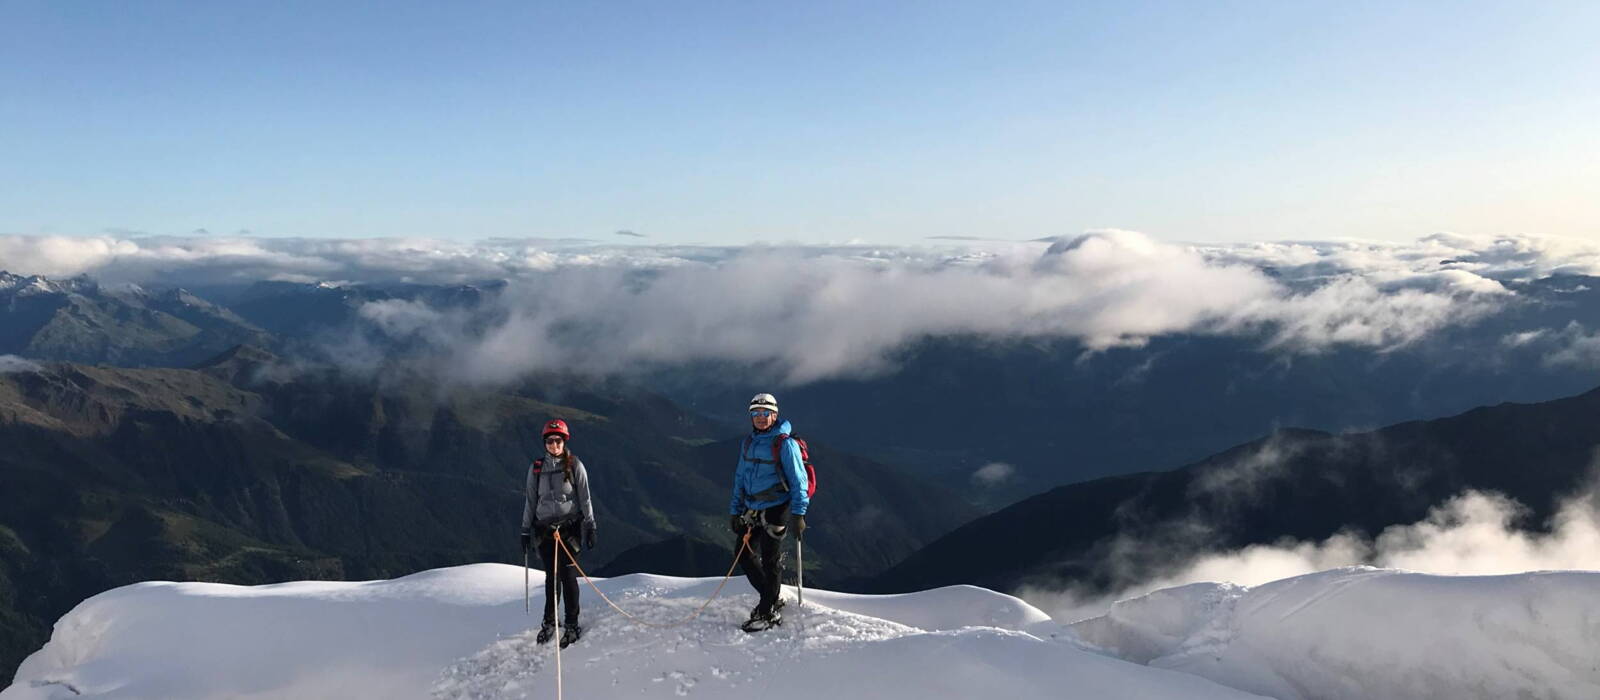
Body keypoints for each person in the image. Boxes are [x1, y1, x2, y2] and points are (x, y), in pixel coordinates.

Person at [728, 392, 809, 632]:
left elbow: (799, 481)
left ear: (775, 415)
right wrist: (735, 510)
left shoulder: (784, 444)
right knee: (743, 555)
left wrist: (798, 514)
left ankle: (767, 610)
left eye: (766, 413)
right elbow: (740, 477)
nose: (761, 418)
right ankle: (771, 597)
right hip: (753, 507)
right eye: (756, 413)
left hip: (777, 507)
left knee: (770, 560)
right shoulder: (749, 442)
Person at [521, 418, 597, 648]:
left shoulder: (575, 466)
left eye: (558, 440)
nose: (554, 445)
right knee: (551, 577)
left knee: (567, 576)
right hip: (545, 531)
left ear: (564, 441)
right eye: (550, 441)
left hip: (569, 530)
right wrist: (525, 530)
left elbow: (585, 498)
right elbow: (530, 501)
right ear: (545, 443)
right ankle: (550, 621)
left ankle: (572, 623)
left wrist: (591, 526)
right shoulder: (536, 469)